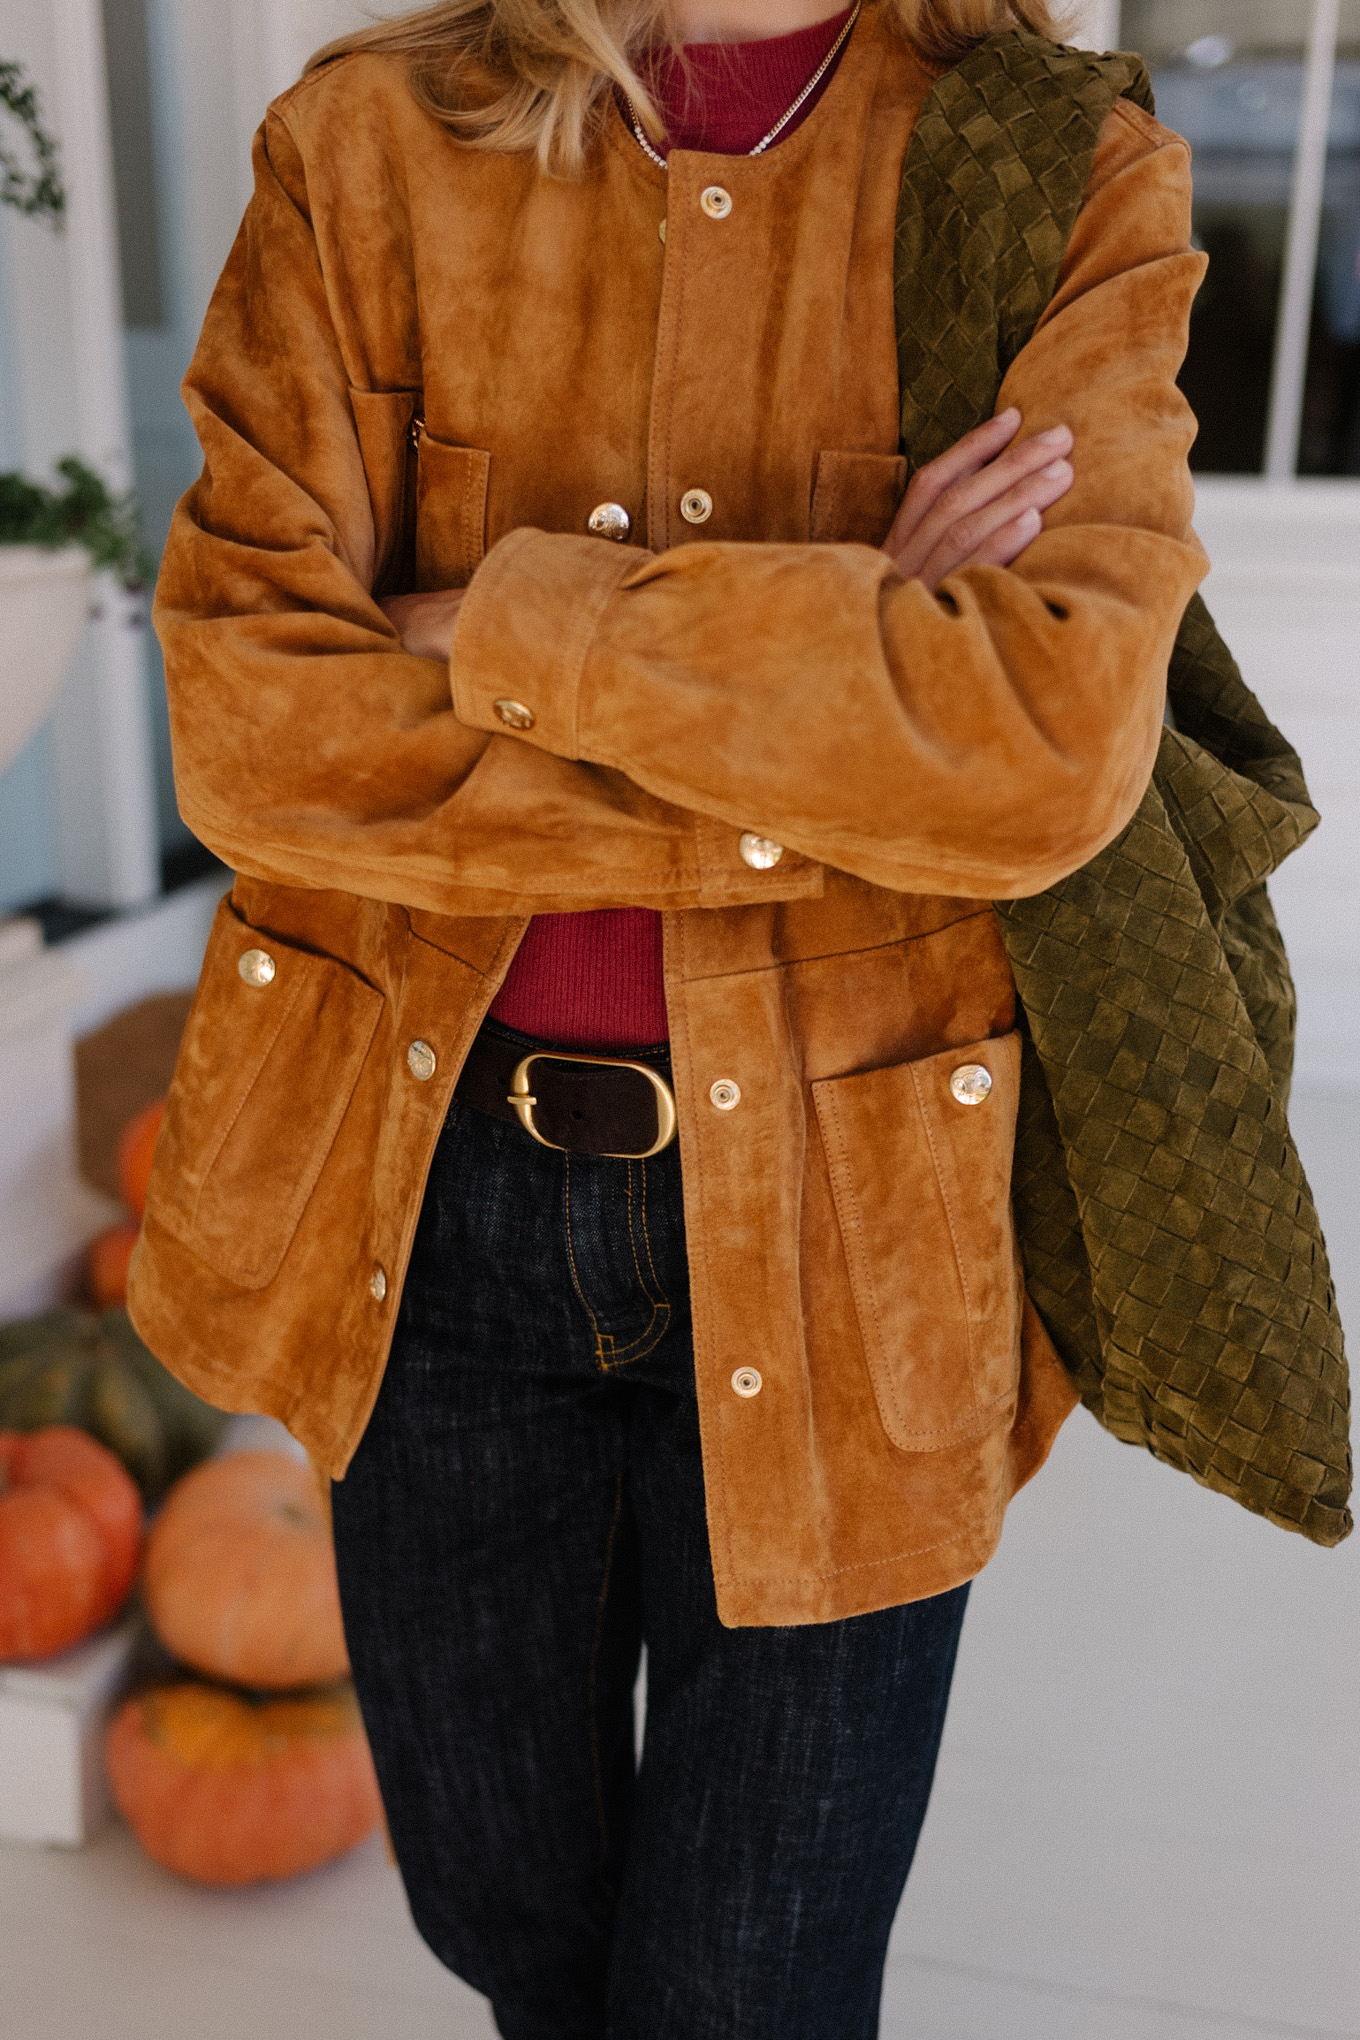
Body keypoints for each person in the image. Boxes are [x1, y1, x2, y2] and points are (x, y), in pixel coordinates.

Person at [135, 1, 1207, 2033]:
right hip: (424, 1206)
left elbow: (1047, 751)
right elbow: (254, 733)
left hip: (844, 1215)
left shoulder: (1050, 169)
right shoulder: (364, 149)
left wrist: (492, 625)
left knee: (749, 1989)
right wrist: (851, 638)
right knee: (510, 1935)